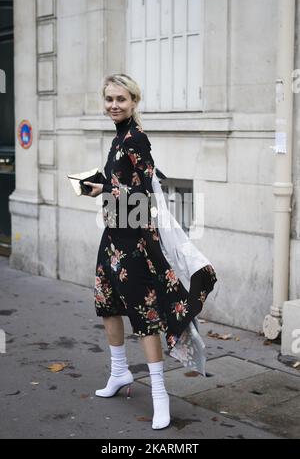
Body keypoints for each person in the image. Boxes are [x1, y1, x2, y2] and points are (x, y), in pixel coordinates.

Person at [83, 73, 217, 430]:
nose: (114, 105)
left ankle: (160, 396)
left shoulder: (136, 139)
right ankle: (119, 372)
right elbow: (124, 183)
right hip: (112, 238)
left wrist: (103, 190)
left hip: (135, 244)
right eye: (109, 99)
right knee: (108, 306)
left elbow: (141, 196)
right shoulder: (119, 138)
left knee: (145, 319)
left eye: (121, 99)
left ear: (134, 102)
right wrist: (101, 181)